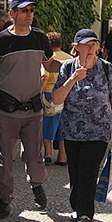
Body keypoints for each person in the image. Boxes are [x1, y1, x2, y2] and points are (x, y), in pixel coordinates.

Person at [0, 0, 63, 220]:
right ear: (13, 13)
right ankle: (3, 201)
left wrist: (71, 64)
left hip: (33, 110)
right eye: (24, 10)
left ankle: (37, 186)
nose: (29, 14)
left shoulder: (39, 38)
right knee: (2, 158)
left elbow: (49, 64)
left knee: (34, 156)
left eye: (31, 10)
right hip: (6, 111)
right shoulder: (1, 40)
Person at [51, 29, 112, 222]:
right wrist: (73, 79)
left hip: (99, 130)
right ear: (76, 47)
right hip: (72, 130)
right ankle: (77, 206)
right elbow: (56, 99)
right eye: (86, 45)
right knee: (75, 171)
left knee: (89, 171)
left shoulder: (106, 68)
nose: (91, 49)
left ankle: (85, 214)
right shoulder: (67, 67)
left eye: (93, 45)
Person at [41, 32, 72, 166]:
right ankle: (62, 156)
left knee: (48, 125)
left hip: (49, 94)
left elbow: (44, 77)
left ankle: (48, 154)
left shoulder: (48, 59)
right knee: (63, 126)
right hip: (66, 93)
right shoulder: (69, 58)